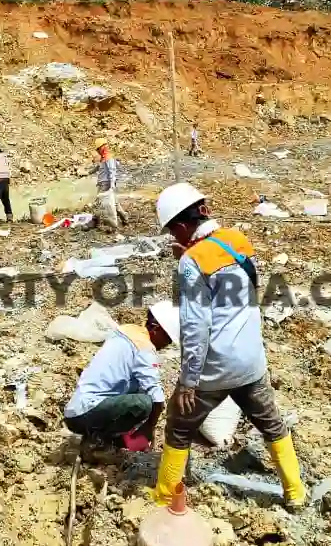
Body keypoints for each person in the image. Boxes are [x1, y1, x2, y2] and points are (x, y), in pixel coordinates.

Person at [149, 182, 308, 511]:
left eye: (172, 232)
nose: (173, 239)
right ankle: (295, 492)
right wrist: (190, 258)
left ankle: (165, 496)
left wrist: (189, 381)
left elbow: (195, 326)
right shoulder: (237, 241)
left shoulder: (191, 262)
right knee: (272, 425)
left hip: (214, 369)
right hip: (251, 363)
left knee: (178, 428)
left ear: (180, 226)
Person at [64, 301, 179, 452]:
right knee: (144, 403)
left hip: (76, 411)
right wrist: (149, 428)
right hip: (84, 414)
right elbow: (157, 398)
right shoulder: (143, 346)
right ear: (156, 329)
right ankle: (98, 443)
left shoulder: (125, 333)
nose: (167, 344)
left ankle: (108, 437)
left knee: (139, 391)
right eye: (167, 339)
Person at [94, 137, 128, 229]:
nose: (97, 151)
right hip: (103, 183)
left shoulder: (109, 158)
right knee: (114, 203)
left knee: (99, 202)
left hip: (106, 184)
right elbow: (99, 167)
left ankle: (97, 221)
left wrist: (112, 185)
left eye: (98, 149)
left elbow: (112, 172)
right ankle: (124, 217)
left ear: (102, 148)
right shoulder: (103, 158)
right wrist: (89, 172)